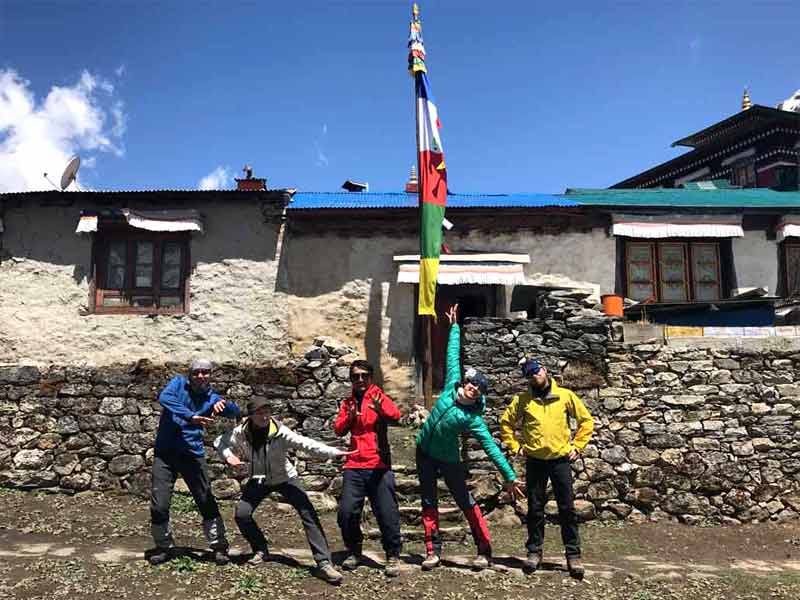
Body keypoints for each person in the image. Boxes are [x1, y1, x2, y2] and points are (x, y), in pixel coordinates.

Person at [415, 304, 525, 571]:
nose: (473, 388)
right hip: (424, 453)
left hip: (448, 459)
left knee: (464, 500)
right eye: (472, 383)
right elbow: (452, 356)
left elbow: (490, 448)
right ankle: (432, 551)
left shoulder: (472, 418)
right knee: (428, 501)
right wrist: (454, 326)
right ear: (465, 382)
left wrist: (509, 476)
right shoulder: (451, 385)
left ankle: (484, 549)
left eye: (479, 388)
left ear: (480, 394)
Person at [214, 396, 353, 585]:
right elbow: (219, 442)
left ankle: (324, 563)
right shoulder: (241, 433)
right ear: (251, 415)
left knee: (308, 513)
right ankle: (261, 548)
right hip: (259, 479)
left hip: (286, 478)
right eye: (260, 413)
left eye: (267, 412)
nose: (264, 416)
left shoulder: (280, 432)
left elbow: (306, 443)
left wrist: (334, 452)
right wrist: (228, 456)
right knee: (242, 514)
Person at [499, 358, 594, 579]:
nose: (534, 376)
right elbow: (506, 423)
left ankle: (573, 555)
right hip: (535, 461)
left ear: (544, 370)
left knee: (567, 508)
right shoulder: (523, 400)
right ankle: (534, 552)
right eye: (529, 374)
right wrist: (515, 447)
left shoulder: (565, 395)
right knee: (535, 508)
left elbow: (586, 421)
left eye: (536, 371)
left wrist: (578, 446)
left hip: (560, 460)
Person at [148, 358, 240, 566]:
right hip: (165, 454)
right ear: (189, 374)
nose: (200, 376)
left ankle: (219, 546)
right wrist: (190, 416)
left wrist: (225, 405)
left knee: (205, 498)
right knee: (159, 504)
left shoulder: (212, 397)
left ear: (210, 375)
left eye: (205, 372)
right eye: (196, 372)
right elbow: (165, 398)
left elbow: (235, 412)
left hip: (192, 454)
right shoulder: (178, 384)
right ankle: (163, 546)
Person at [334, 360, 403, 577]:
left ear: (371, 377)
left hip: (378, 464)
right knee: (346, 512)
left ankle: (392, 554)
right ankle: (354, 551)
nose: (360, 379)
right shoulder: (348, 403)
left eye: (364, 375)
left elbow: (396, 416)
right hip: (354, 464)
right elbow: (338, 429)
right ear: (351, 379)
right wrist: (349, 417)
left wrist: (381, 410)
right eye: (356, 376)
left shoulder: (378, 396)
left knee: (387, 512)